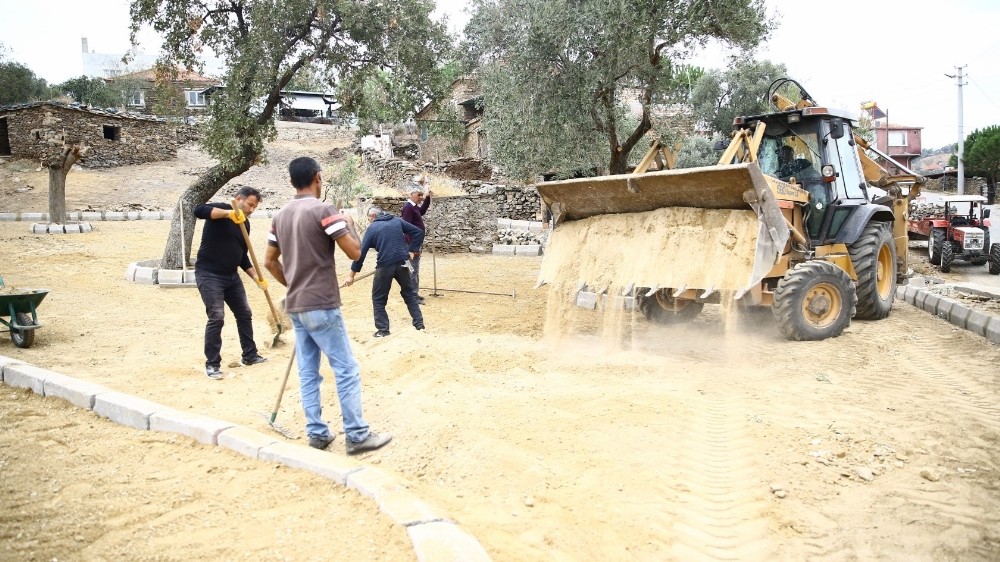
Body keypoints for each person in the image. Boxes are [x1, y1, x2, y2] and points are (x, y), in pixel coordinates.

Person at [263, 156, 392, 455]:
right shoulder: (324, 210)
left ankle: (317, 433)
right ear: (318, 177)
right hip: (321, 302)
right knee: (346, 368)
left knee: (309, 371)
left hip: (296, 305)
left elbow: (269, 262)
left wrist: (294, 285)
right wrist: (350, 223)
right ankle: (357, 435)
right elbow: (355, 252)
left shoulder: (279, 216)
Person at [193, 187, 269, 380]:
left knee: (245, 313)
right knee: (217, 316)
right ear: (239, 199)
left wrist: (256, 278)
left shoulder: (245, 224)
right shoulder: (220, 210)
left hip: (231, 276)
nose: (252, 209)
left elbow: (242, 256)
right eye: (250, 204)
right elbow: (199, 211)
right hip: (209, 274)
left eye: (255, 207)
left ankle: (250, 355)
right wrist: (229, 213)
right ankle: (212, 364)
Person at [343, 206, 425, 338]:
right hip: (404, 263)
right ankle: (419, 325)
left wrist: (351, 276)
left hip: (385, 266)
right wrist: (412, 250)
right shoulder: (396, 221)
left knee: (378, 299)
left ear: (373, 216)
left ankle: (383, 330)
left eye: (369, 218)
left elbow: (360, 255)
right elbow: (418, 232)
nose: (368, 220)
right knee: (409, 294)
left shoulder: (372, 229)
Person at [401, 175, 432, 304]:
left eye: (421, 195)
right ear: (412, 194)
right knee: (412, 270)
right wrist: (412, 248)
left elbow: (422, 211)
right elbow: (406, 228)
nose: (420, 198)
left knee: (414, 270)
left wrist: (428, 198)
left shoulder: (413, 207)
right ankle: (412, 296)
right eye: (419, 195)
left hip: (414, 244)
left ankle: (414, 293)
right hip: (411, 245)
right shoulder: (408, 207)